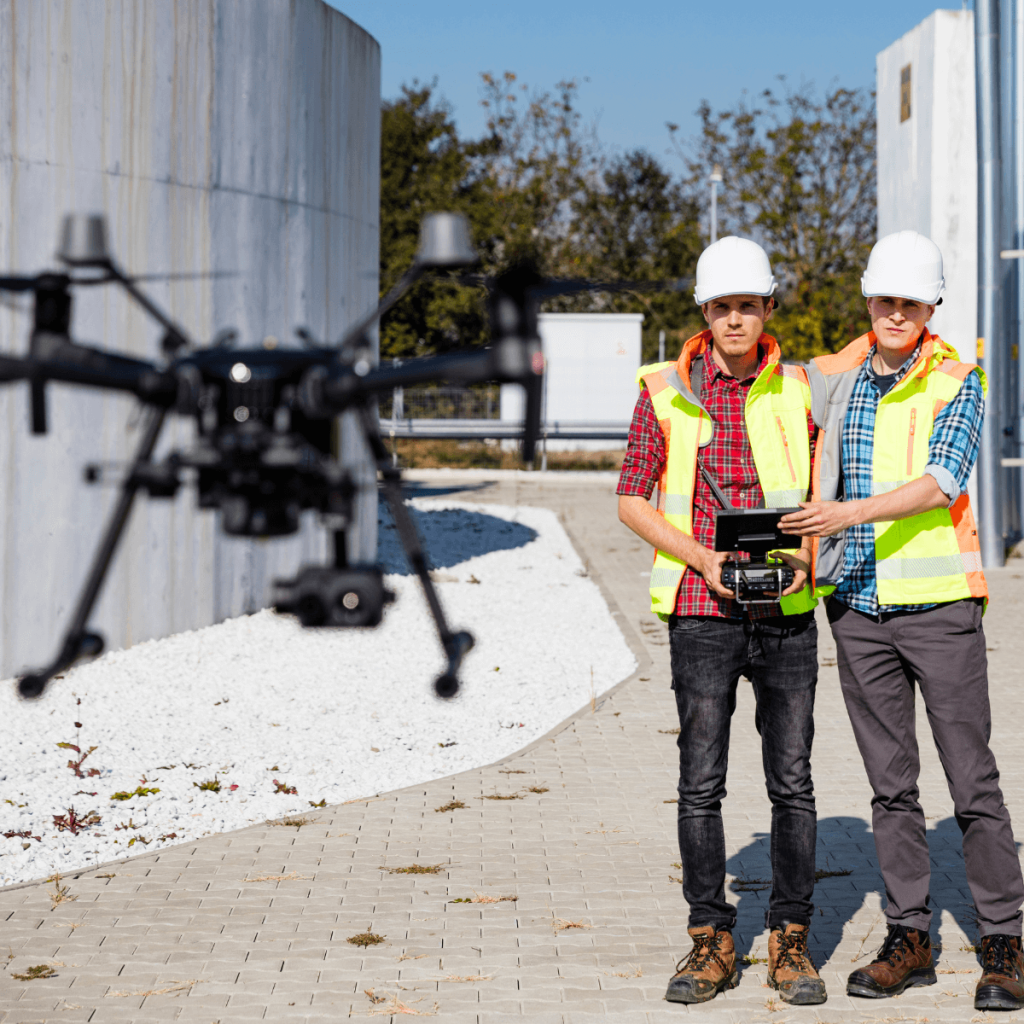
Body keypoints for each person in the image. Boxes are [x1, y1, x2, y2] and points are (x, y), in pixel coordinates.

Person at [781, 230, 1024, 1012]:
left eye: (909, 302)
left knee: (972, 783)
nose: (894, 313)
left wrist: (845, 512)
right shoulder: (838, 376)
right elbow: (769, 398)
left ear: (931, 307)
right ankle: (909, 936)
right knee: (891, 790)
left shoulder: (960, 380)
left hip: (939, 607)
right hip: (855, 605)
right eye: (883, 299)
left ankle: (1006, 941)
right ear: (868, 299)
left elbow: (941, 479)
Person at [617, 236, 826, 1006]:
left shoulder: (802, 389)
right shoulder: (662, 388)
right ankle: (709, 939)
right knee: (700, 783)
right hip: (702, 611)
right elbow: (632, 496)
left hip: (789, 612)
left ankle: (790, 940)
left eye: (748, 305)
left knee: (793, 783)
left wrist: (804, 555)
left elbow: (823, 492)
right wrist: (702, 558)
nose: (735, 319)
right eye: (721, 307)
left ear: (768, 309)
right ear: (703, 312)